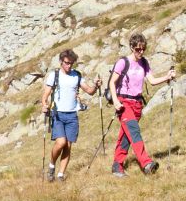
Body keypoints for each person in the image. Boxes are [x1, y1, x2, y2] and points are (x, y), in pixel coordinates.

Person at [107, 34, 174, 177]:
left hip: (137, 103)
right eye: (138, 49)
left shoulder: (144, 62)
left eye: (143, 49)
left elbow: (152, 80)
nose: (141, 52)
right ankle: (146, 163)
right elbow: (112, 82)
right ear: (131, 47)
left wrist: (167, 77)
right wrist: (116, 101)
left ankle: (117, 165)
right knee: (134, 131)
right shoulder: (123, 62)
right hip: (124, 103)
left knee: (126, 135)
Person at [41, 49, 99, 182]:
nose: (69, 66)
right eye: (66, 63)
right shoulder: (54, 75)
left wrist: (96, 86)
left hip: (72, 115)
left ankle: (61, 175)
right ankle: (51, 165)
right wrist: (44, 105)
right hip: (58, 114)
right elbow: (45, 95)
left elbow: (89, 91)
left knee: (68, 145)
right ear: (61, 61)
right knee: (60, 142)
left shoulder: (77, 75)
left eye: (71, 63)